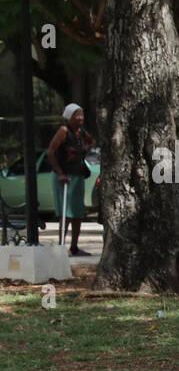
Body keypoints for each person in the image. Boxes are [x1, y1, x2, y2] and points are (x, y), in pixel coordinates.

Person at [46, 103, 96, 256]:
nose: (80, 118)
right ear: (69, 116)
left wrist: (86, 149)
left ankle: (74, 247)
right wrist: (60, 172)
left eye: (81, 114)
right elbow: (51, 151)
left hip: (78, 176)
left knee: (78, 213)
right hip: (65, 178)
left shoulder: (81, 132)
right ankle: (62, 246)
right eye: (77, 115)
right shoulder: (64, 131)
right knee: (66, 213)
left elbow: (92, 141)